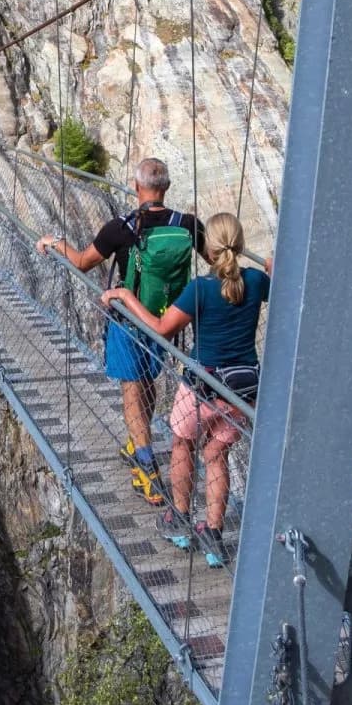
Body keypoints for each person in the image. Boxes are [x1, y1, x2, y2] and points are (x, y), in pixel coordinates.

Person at [101, 211, 269, 567]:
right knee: (216, 456)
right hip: (242, 390)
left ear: (208, 247)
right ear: (239, 245)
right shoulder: (256, 281)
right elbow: (283, 284)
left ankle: (179, 519)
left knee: (183, 444)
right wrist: (273, 265)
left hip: (202, 387)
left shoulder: (202, 289)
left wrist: (125, 297)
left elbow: (161, 328)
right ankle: (213, 534)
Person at [36, 156, 203, 507]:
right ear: (167, 188)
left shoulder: (122, 227)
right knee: (146, 383)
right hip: (164, 323)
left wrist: (54, 242)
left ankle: (147, 471)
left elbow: (82, 261)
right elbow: (220, 260)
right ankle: (136, 444)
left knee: (131, 393)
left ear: (137, 187)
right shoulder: (188, 225)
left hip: (128, 321)